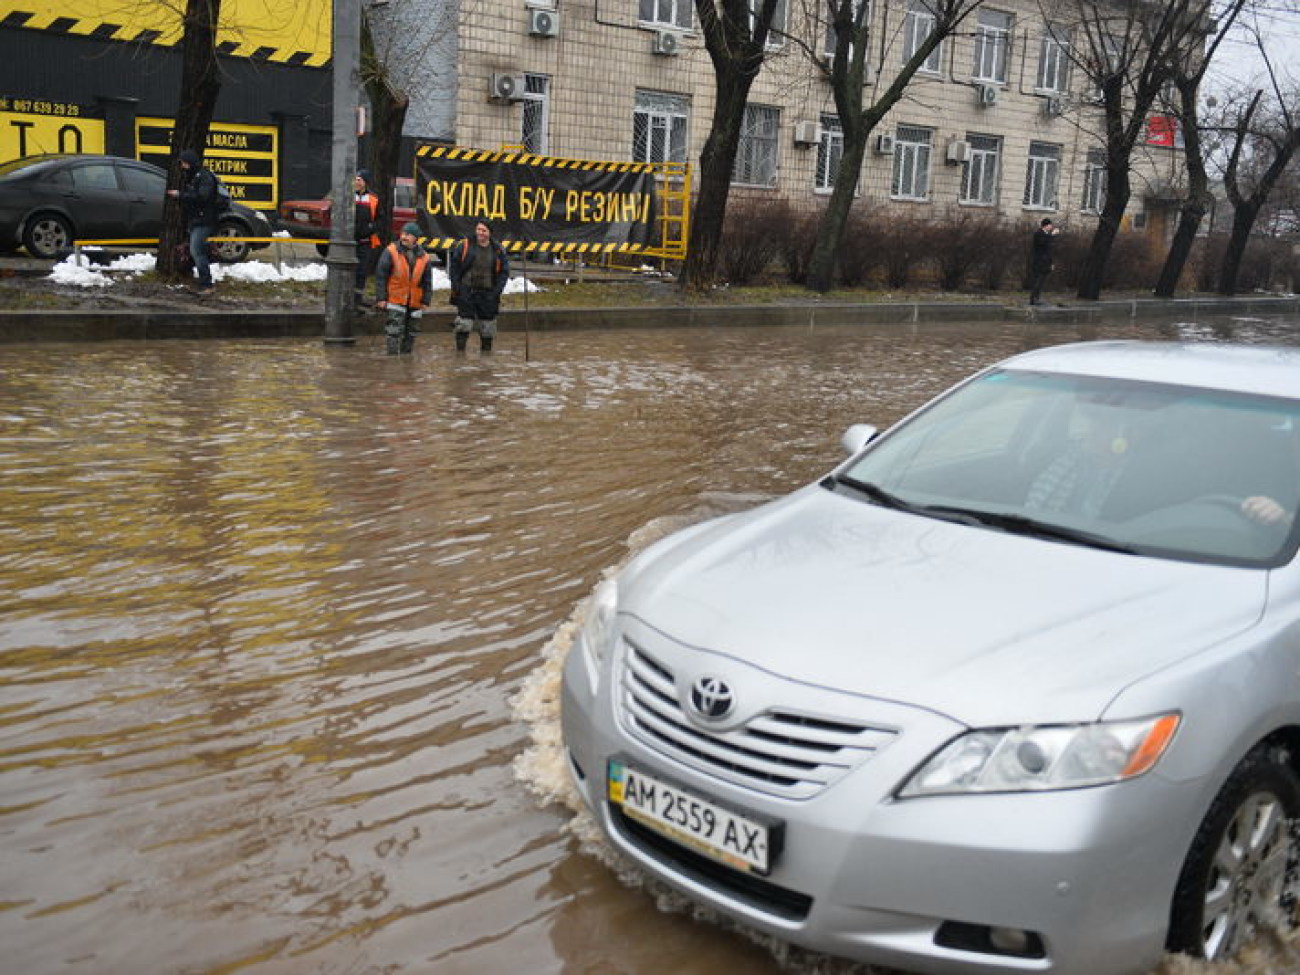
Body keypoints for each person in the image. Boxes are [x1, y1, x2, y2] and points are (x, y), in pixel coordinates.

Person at [448, 220, 510, 352]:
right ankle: (460, 354)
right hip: (466, 292)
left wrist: (497, 292)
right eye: (478, 229)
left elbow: (504, 273)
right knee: (464, 324)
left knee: (488, 327)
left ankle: (486, 357)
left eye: (483, 230)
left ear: (490, 233)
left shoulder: (498, 250)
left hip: (488, 294)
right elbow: (454, 268)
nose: (480, 233)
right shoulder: (464, 246)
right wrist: (457, 286)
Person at [166, 149, 219, 296]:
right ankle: (203, 281)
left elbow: (202, 196)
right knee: (197, 250)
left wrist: (180, 195)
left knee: (197, 251)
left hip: (204, 220)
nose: (182, 166)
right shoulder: (195, 176)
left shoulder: (203, 176)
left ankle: (206, 284)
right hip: (198, 219)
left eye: (183, 163)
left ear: (189, 162)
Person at [374, 222, 433, 355]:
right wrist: (381, 298)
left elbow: (427, 281)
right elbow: (381, 276)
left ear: (416, 238)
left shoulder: (425, 257)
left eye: (408, 234)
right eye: (403, 233)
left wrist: (426, 300)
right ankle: (393, 360)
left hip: (415, 301)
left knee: (411, 333)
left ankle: (406, 358)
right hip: (396, 298)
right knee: (393, 332)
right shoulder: (391, 251)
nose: (404, 237)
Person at [353, 170, 380, 306]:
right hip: (350, 242)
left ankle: (358, 298)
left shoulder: (373, 199)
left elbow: (380, 219)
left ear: (365, 182)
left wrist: (371, 229)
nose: (357, 182)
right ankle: (349, 298)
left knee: (361, 271)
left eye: (360, 180)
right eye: (356, 179)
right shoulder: (350, 197)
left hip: (365, 242)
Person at [1028, 217, 1059, 306]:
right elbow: (1043, 243)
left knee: (1042, 282)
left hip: (1045, 263)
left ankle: (1037, 298)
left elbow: (1049, 250)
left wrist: (1051, 263)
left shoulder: (1046, 234)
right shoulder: (1039, 233)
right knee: (1038, 281)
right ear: (1046, 225)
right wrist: (1052, 235)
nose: (1051, 227)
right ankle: (1033, 299)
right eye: (1050, 225)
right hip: (1039, 262)